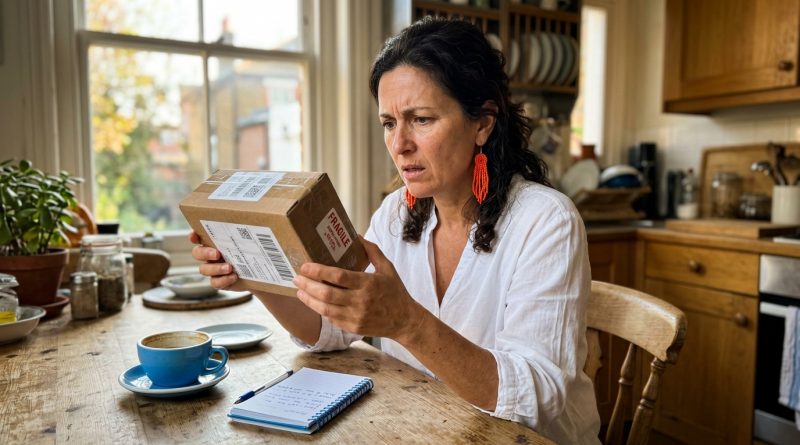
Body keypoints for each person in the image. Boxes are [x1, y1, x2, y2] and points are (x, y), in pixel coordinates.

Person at [190, 17, 600, 444]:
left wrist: (407, 322)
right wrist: (256, 272)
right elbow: (332, 332)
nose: (399, 144)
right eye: (389, 123)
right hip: (428, 426)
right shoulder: (395, 215)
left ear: (482, 122)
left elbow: (537, 396)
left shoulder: (546, 221)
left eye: (420, 119)